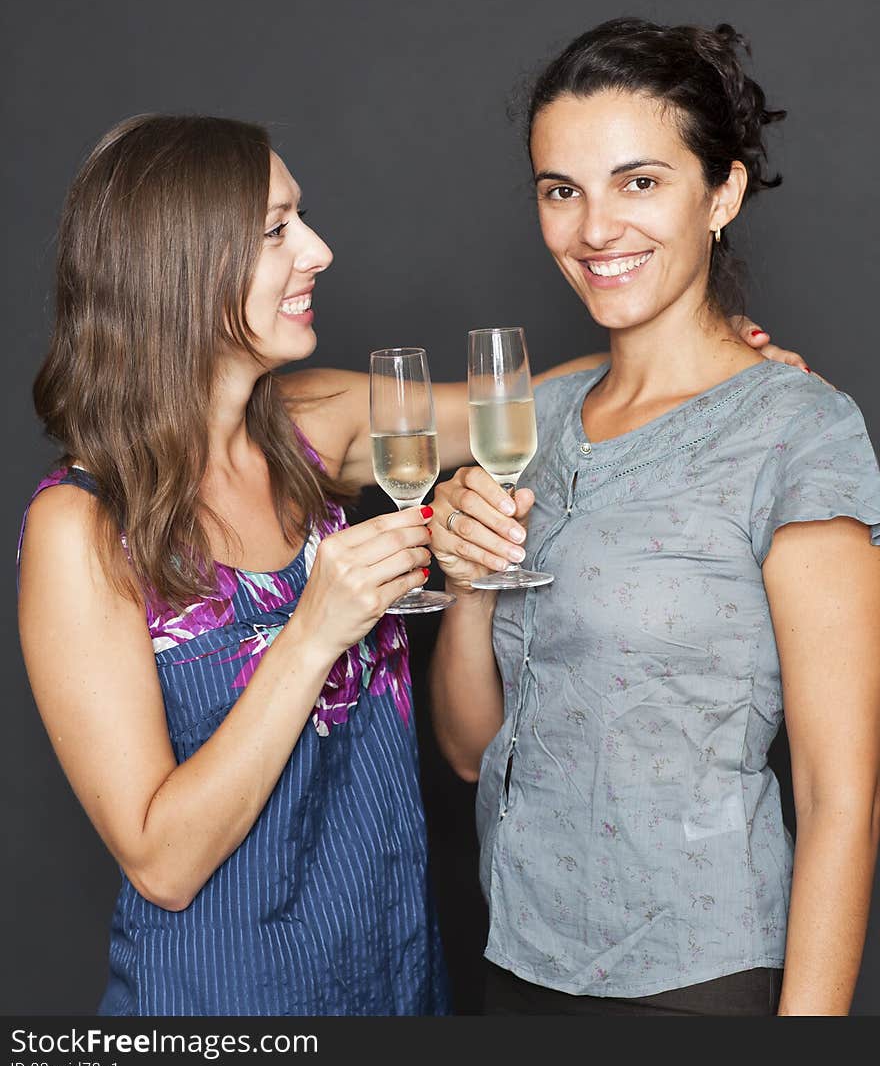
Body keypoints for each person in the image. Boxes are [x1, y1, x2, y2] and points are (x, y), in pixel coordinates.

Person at [16, 112, 797, 1017]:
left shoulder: (313, 424)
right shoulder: (82, 528)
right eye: (277, 231)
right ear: (178, 266)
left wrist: (699, 356)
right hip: (223, 1005)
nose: (318, 250)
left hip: (395, 977)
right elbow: (160, 861)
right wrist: (311, 633)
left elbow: (523, 411)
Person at [428, 18, 880, 1017]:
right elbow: (470, 749)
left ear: (719, 192)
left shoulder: (796, 429)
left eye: (639, 182)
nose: (594, 229)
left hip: (698, 973)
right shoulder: (529, 422)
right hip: (516, 953)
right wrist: (463, 579)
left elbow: (839, 793)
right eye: (561, 189)